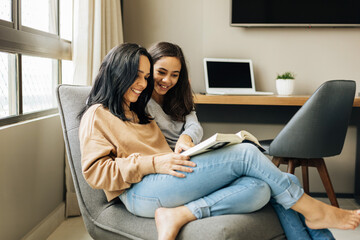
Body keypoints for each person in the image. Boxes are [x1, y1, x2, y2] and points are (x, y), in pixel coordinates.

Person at [78, 43, 360, 240]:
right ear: (117, 73)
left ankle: (179, 215)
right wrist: (153, 162)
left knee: (261, 188)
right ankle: (315, 210)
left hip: (168, 178)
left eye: (144, 77)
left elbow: (187, 122)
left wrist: (183, 149)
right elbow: (95, 174)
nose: (142, 84)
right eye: (136, 77)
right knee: (247, 153)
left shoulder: (138, 109)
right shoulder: (98, 114)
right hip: (138, 192)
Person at [147, 41, 335, 240]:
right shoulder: (142, 102)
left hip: (193, 159)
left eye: (175, 75)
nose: (167, 80)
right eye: (161, 72)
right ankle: (320, 219)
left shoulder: (178, 97)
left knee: (283, 181)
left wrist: (186, 137)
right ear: (148, 69)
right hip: (174, 168)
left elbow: (194, 125)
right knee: (253, 157)